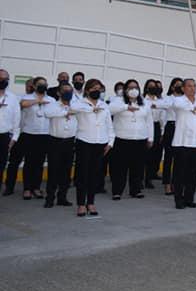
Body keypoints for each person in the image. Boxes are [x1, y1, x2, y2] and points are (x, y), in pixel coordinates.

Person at [72, 79, 113, 217]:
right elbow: (73, 108)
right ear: (87, 90)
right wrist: (91, 109)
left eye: (99, 88)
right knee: (82, 174)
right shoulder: (80, 103)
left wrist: (110, 142)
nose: (96, 91)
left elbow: (109, 125)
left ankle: (91, 202)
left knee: (94, 174)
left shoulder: (104, 105)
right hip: (84, 141)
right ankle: (81, 204)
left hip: (100, 142)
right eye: (93, 88)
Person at [109, 79, 153, 199]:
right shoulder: (118, 101)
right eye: (130, 88)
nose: (133, 90)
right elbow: (110, 109)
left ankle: (136, 190)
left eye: (136, 87)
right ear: (125, 90)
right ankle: (117, 191)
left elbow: (149, 121)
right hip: (122, 139)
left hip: (140, 139)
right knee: (120, 167)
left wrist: (150, 137)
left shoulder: (144, 102)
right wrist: (126, 107)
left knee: (138, 166)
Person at [169, 79, 196, 210]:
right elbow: (177, 106)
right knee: (179, 173)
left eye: (194, 86)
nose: (192, 88)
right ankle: (178, 199)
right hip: (181, 143)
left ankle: (189, 198)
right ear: (183, 88)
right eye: (189, 86)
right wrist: (192, 107)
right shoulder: (179, 100)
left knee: (192, 174)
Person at [18, 76, 54, 200]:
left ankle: (36, 188)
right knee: (29, 162)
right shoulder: (27, 97)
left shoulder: (51, 99)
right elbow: (23, 104)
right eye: (40, 84)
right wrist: (37, 101)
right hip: (29, 134)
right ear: (34, 86)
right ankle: (27, 189)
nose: (43, 86)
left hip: (45, 134)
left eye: (45, 84)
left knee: (39, 162)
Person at [42, 82, 77, 207]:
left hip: (70, 142)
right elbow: (48, 113)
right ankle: (50, 198)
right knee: (53, 171)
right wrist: (65, 113)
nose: (68, 93)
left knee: (66, 172)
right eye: (65, 91)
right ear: (59, 93)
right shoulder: (53, 105)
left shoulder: (76, 105)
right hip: (55, 142)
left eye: (70, 91)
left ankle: (62, 197)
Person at [3, 78, 33, 196]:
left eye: (33, 86)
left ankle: (28, 188)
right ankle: (9, 187)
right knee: (14, 163)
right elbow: (21, 106)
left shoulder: (42, 100)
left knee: (30, 163)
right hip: (18, 135)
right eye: (29, 85)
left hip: (30, 135)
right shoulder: (19, 98)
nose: (31, 88)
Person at [161, 78, 184, 196]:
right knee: (168, 157)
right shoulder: (168, 98)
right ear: (172, 87)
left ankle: (176, 182)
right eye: (177, 85)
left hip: (181, 127)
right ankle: (167, 183)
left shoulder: (185, 99)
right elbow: (164, 110)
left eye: (181, 85)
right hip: (171, 126)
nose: (179, 87)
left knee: (179, 158)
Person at [0, 69, 21, 197]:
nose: (3, 81)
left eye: (5, 79)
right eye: (1, 78)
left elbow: (16, 120)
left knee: (1, 167)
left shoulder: (12, 98)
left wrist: (14, 138)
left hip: (4, 137)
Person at [143, 79, 167, 189]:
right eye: (151, 86)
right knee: (144, 155)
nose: (153, 88)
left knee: (154, 154)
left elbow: (162, 117)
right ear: (146, 88)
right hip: (144, 126)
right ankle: (140, 179)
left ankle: (149, 177)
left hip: (156, 126)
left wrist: (162, 132)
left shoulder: (159, 101)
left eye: (155, 86)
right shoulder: (143, 100)